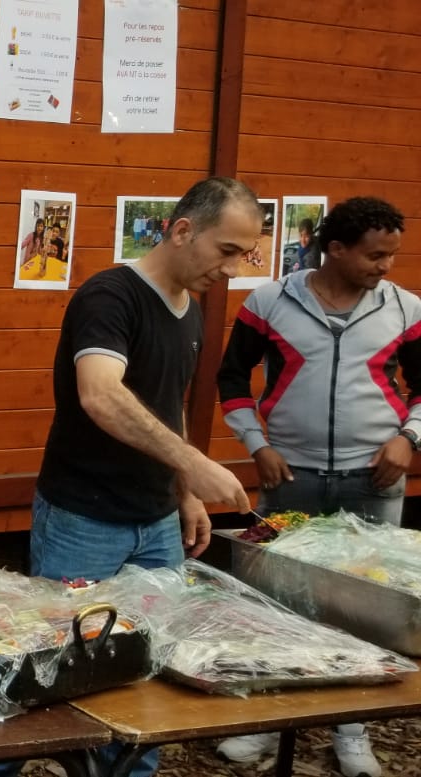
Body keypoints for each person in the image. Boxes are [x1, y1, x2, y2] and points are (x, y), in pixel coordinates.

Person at [0, 177, 260, 777]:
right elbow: (101, 395)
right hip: (84, 518)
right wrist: (195, 464)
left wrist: (183, 494)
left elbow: (165, 403)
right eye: (227, 251)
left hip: (154, 523)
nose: (232, 268)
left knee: (143, 659)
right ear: (182, 231)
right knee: (54, 663)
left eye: (244, 255)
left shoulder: (191, 311)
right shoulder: (110, 296)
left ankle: (127, 771)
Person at [213, 197, 413, 777]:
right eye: (375, 255)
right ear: (337, 249)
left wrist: (410, 440)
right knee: (284, 604)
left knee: (368, 609)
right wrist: (258, 445)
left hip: (374, 480)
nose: (385, 266)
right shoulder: (269, 302)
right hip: (290, 477)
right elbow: (231, 378)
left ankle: (351, 732)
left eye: (392, 255)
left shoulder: (405, 309)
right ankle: (276, 727)